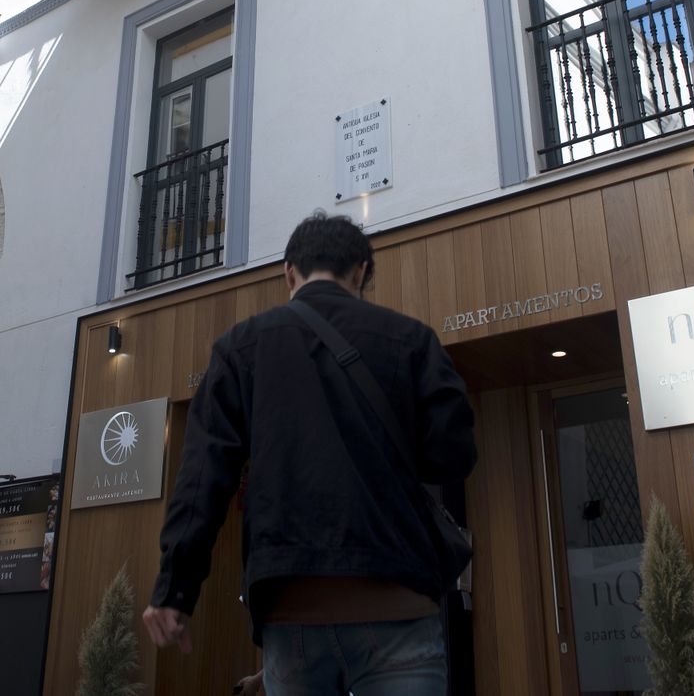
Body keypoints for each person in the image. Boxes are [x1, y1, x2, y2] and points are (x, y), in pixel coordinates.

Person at [143, 211, 477, 695]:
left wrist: (175, 590)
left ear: (288, 273)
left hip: (291, 605)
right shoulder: (411, 340)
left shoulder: (240, 348)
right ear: (360, 271)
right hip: (397, 600)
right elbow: (453, 456)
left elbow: (202, 477)